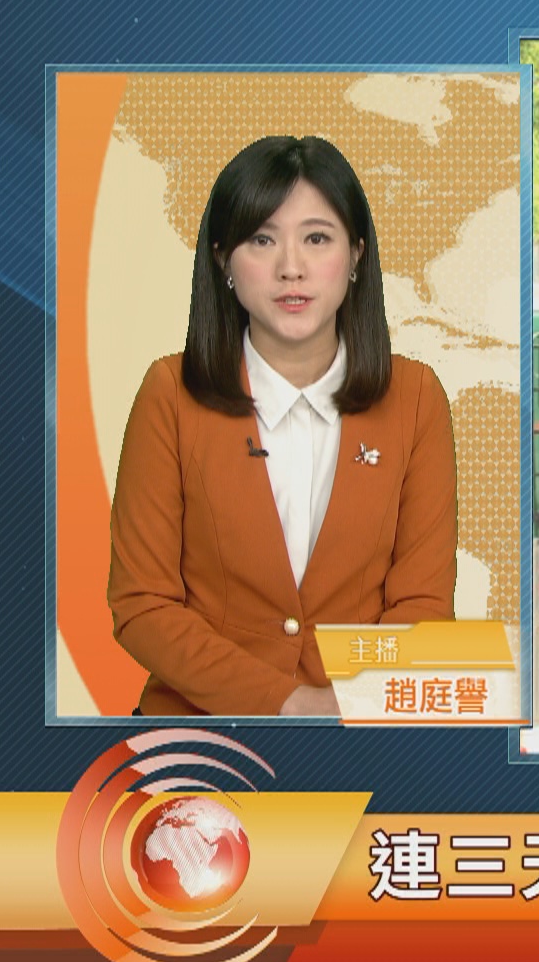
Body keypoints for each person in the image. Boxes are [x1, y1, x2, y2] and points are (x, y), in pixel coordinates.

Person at [108, 136, 457, 716]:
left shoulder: (417, 399)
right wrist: (288, 703)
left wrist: (346, 706)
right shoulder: (169, 394)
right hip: (196, 736)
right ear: (223, 259)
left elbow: (423, 604)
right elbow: (142, 604)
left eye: (317, 239)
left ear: (357, 256)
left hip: (360, 732)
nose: (291, 268)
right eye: (261, 239)